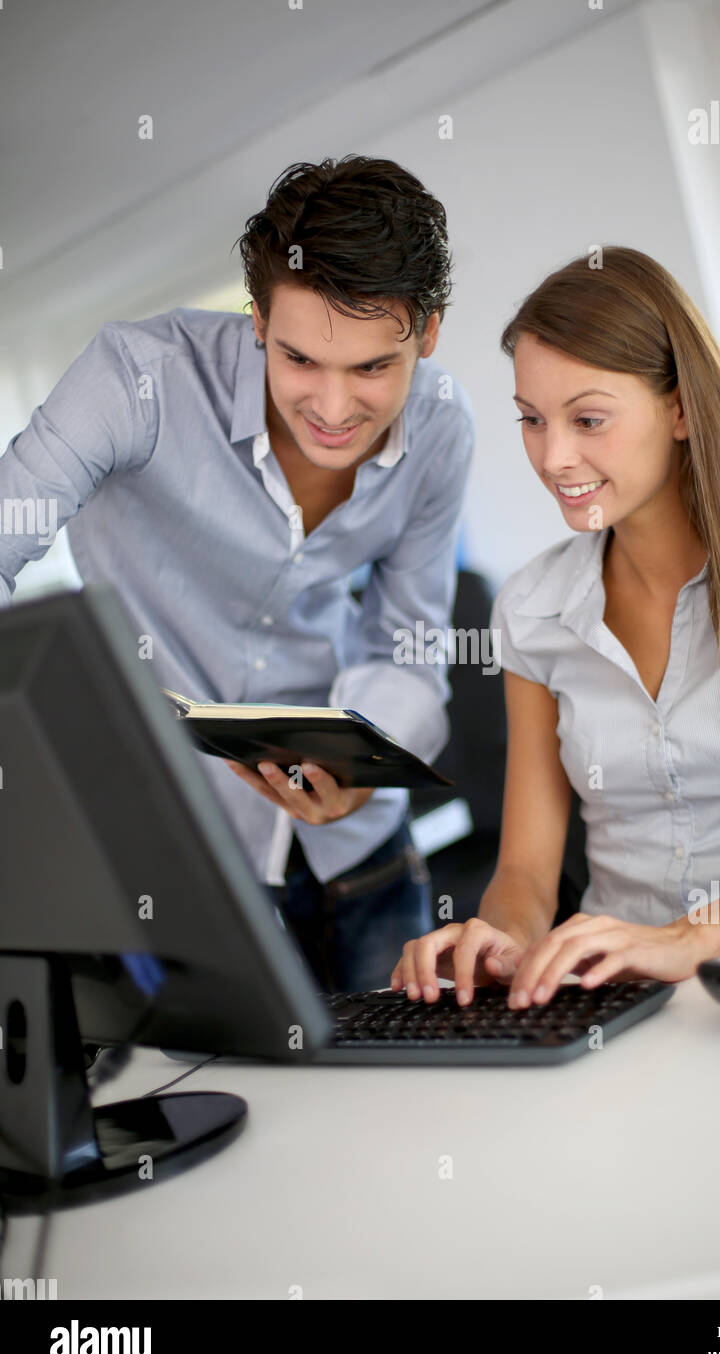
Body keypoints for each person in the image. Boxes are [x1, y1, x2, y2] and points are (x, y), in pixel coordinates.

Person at [0, 155, 475, 991]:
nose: (332, 410)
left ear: (427, 334)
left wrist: (366, 773)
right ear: (256, 319)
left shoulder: (440, 427)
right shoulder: (134, 381)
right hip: (186, 862)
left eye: (372, 368)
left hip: (361, 855)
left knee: (422, 1097)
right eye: (298, 361)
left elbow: (409, 645)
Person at [391, 246, 720, 1009]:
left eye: (588, 419)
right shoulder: (532, 606)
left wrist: (683, 941)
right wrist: (502, 937)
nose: (554, 457)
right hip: (616, 998)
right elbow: (525, 871)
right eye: (531, 420)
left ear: (681, 407)